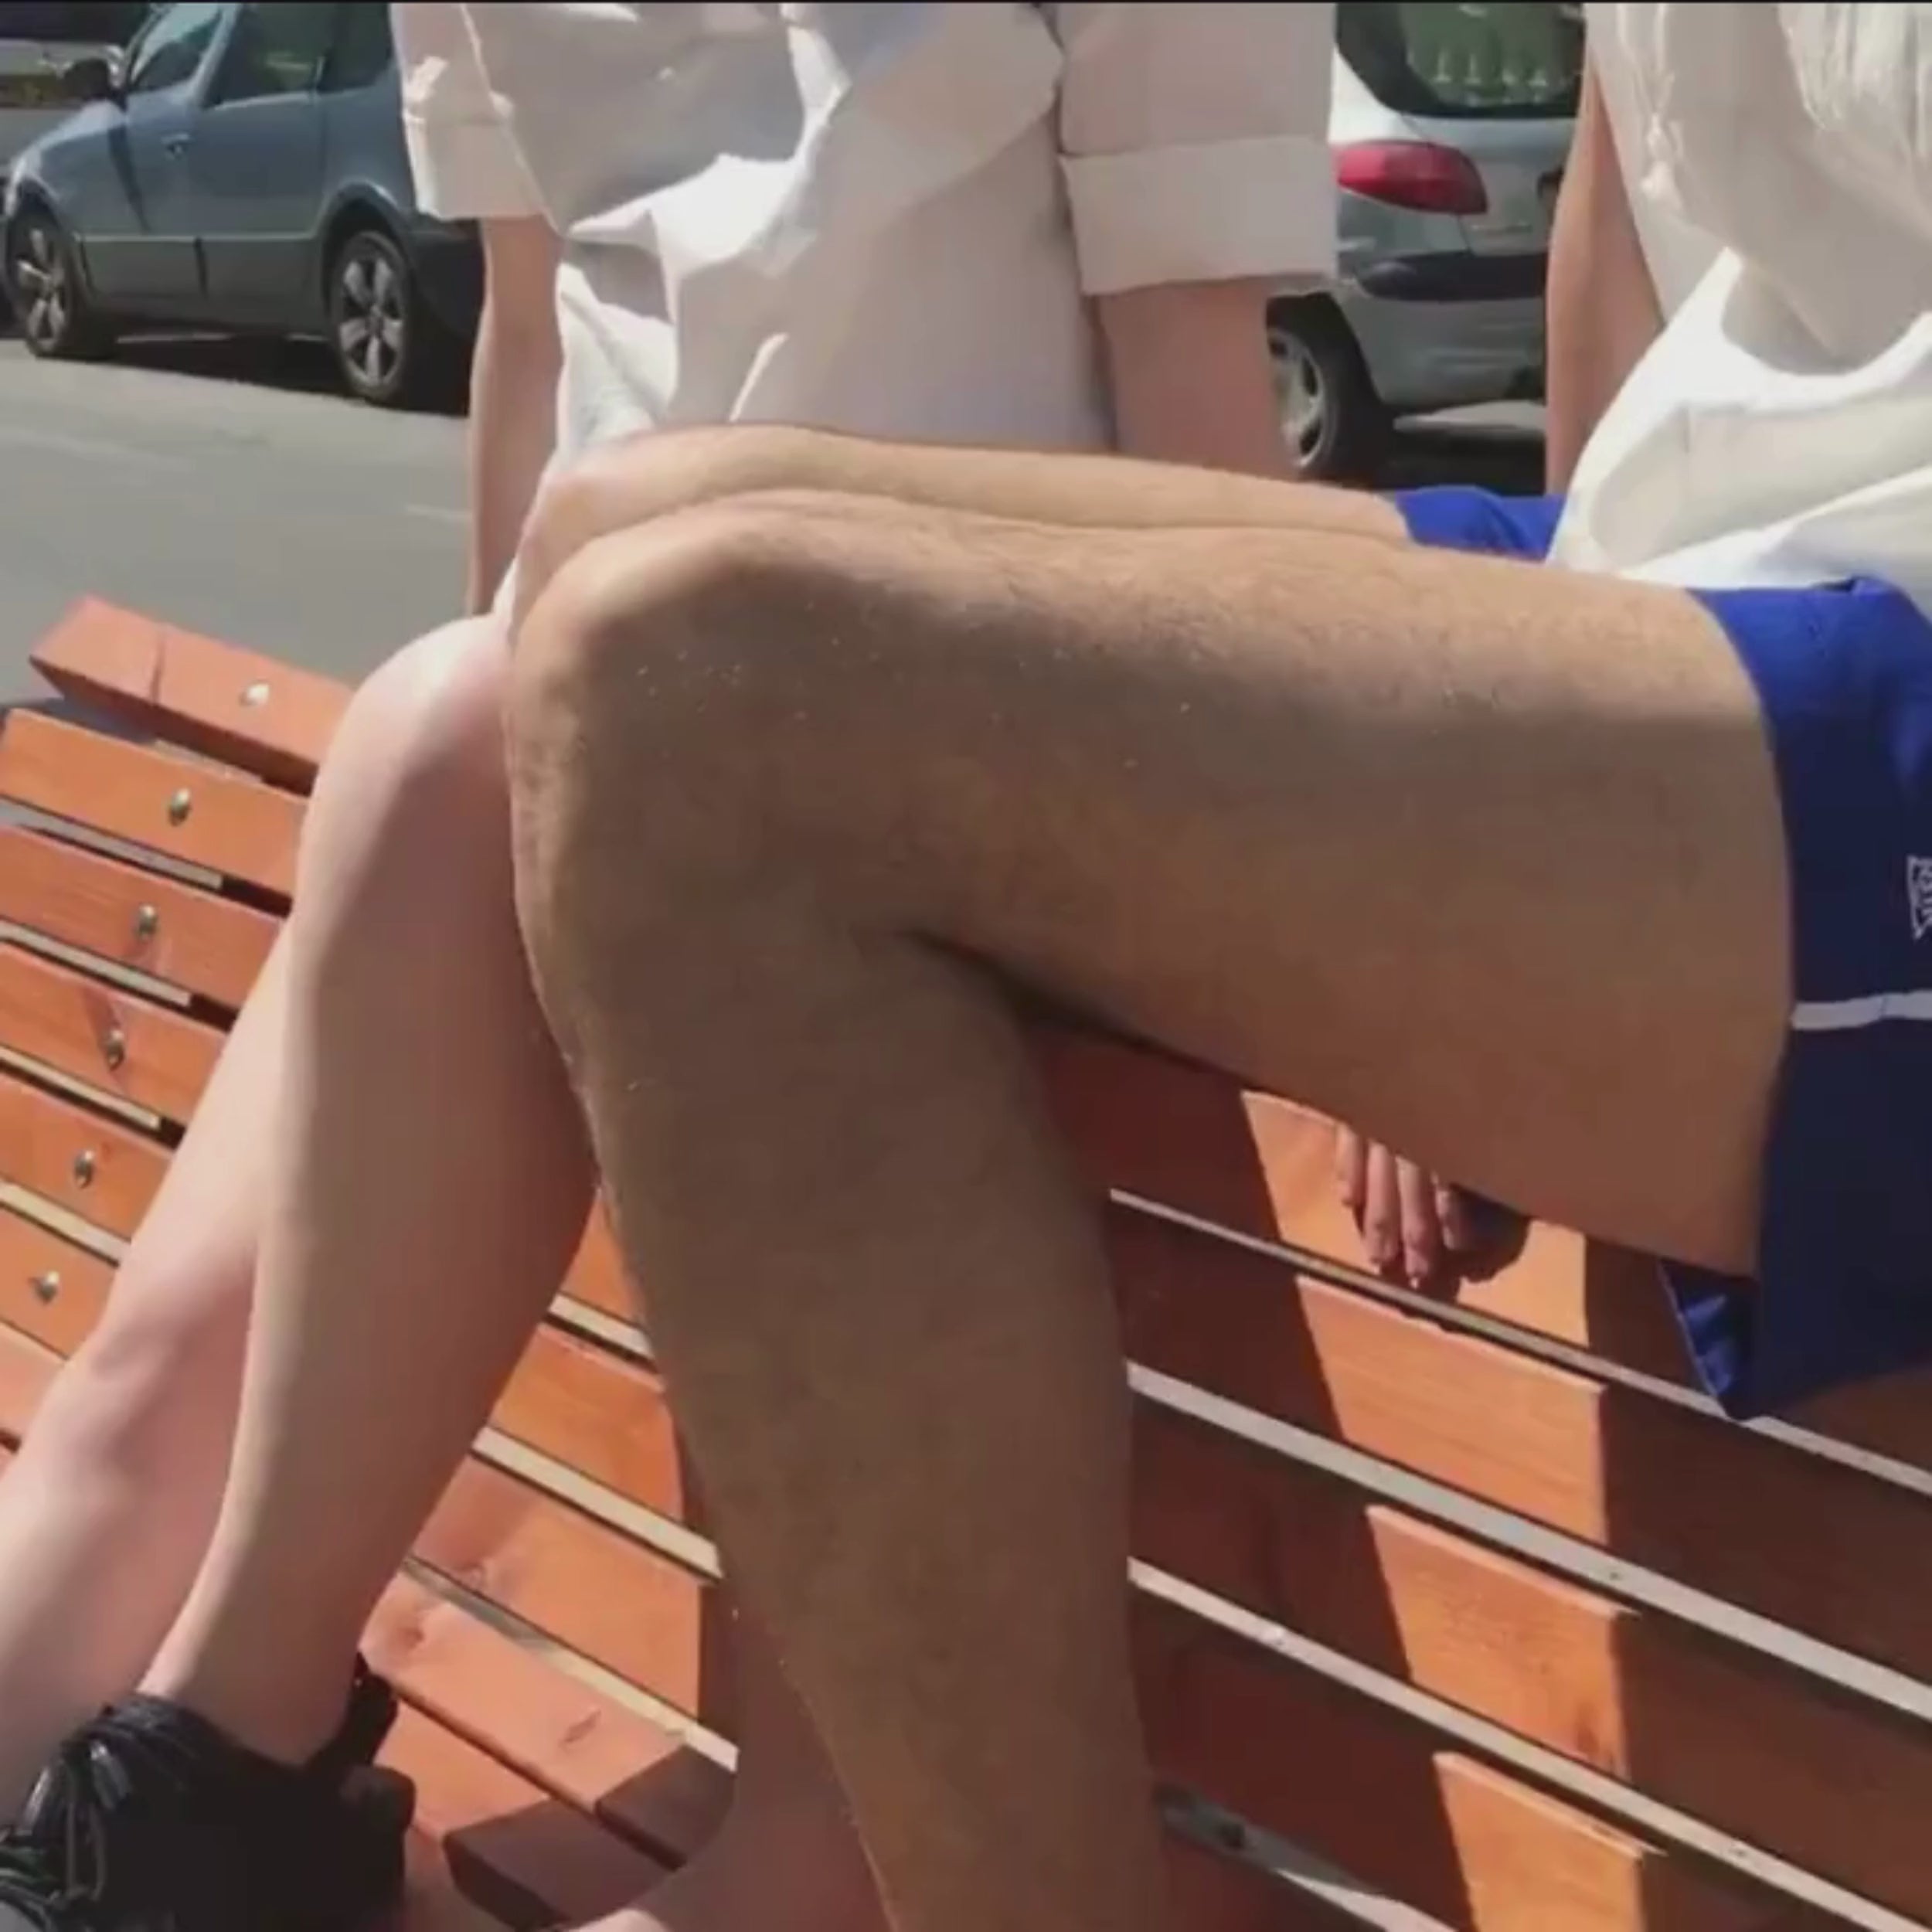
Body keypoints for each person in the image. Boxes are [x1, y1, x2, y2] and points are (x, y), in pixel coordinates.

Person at [478, 7, 1932, 1932]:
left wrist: (1491, 882)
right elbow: (1628, 235)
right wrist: (1529, 802)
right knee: (625, 534)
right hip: (1686, 582)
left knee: (703, 692)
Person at [0, 5, 1338, 1932]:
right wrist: (469, 829)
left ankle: (205, 1800)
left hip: (977, 751)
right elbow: (532, 332)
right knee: (144, 1389)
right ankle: (200, 1778)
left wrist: (1319, 942)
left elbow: (1199, 397)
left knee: (541, 735)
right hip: (583, 741)